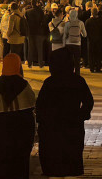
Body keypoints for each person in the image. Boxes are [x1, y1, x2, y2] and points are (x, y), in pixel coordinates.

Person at [36, 48, 94, 178]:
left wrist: (43, 121)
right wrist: (81, 116)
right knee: (71, 163)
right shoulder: (78, 81)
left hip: (52, 129)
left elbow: (40, 105)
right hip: (72, 127)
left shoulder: (50, 83)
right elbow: (88, 102)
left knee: (54, 164)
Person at [0, 53, 36, 179]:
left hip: (0, 128)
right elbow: (32, 103)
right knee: (20, 163)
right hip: (21, 127)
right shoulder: (24, 85)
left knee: (1, 163)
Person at [64, 8, 87, 75]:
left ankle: (69, 73)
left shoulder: (67, 24)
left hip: (68, 43)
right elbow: (85, 35)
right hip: (77, 43)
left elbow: (65, 35)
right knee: (77, 61)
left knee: (69, 60)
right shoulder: (80, 23)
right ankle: (77, 75)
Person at [26, 0, 47, 68]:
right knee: (39, 48)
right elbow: (43, 22)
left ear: (31, 4)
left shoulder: (27, 12)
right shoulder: (40, 11)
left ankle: (29, 63)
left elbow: (26, 22)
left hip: (30, 32)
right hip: (39, 32)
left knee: (30, 48)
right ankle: (40, 63)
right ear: (37, 3)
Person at [85, 7, 102, 73]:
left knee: (91, 54)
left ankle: (91, 67)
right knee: (98, 54)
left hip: (91, 40)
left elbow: (86, 31)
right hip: (99, 40)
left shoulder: (88, 21)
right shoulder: (101, 20)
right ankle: (98, 68)